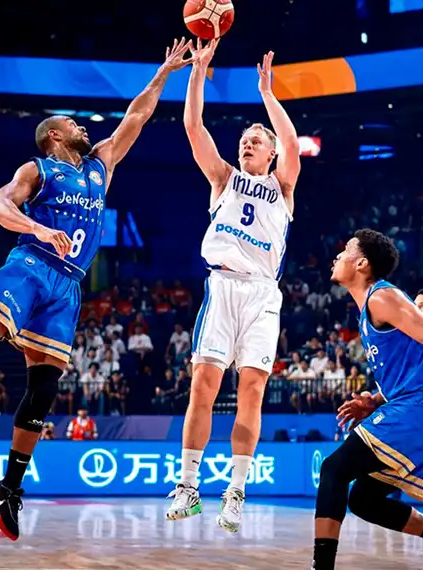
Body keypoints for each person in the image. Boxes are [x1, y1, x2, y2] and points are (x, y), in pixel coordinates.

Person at [0, 40, 192, 542]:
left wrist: (164, 72)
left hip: (67, 287)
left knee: (46, 386)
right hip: (31, 266)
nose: (83, 128)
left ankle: (8, 487)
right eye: (73, 124)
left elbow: (137, 117)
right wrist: (37, 229)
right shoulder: (38, 168)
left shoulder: (100, 166)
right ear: (53, 135)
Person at [164, 41, 301, 535]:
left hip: (262, 294)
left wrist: (267, 94)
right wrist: (197, 73)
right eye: (244, 139)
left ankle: (236, 491)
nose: (248, 143)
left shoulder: (283, 187)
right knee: (203, 385)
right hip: (222, 286)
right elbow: (193, 127)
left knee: (252, 390)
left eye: (256, 141)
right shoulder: (223, 178)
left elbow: (291, 142)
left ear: (270, 153)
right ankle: (188, 486)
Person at [288, 229, 423, 570]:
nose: (338, 256)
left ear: (362, 264)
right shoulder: (370, 309)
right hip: (409, 405)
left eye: (346, 250)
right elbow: (413, 365)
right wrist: (376, 400)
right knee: (364, 499)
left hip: (420, 410)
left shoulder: (381, 297)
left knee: (334, 469)